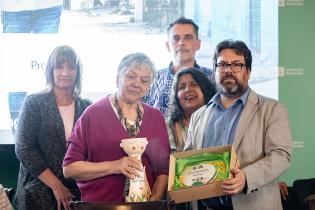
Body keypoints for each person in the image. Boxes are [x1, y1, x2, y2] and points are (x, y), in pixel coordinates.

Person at [184, 39, 292, 210]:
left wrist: (246, 177)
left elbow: (281, 156)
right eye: (222, 65)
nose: (228, 70)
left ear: (248, 72)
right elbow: (188, 161)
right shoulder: (198, 116)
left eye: (236, 65)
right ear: (215, 70)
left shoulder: (272, 109)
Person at [63, 52, 171, 203]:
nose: (137, 84)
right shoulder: (93, 115)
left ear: (149, 86)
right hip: (101, 206)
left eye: (144, 80)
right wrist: (114, 166)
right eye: (131, 76)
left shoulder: (155, 118)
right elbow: (69, 168)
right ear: (117, 78)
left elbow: (163, 169)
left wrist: (155, 200)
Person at [14, 45, 91, 210]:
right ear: (50, 70)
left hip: (76, 192)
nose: (65, 72)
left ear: (78, 72)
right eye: (59, 66)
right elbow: (24, 149)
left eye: (71, 67)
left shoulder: (87, 107)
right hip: (38, 188)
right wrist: (56, 186)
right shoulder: (34, 102)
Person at [143, 17, 215, 116]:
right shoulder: (152, 79)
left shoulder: (212, 78)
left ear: (198, 44)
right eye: (176, 38)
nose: (181, 43)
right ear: (168, 45)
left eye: (188, 37)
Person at [167, 67, 216, 153]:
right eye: (182, 87)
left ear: (205, 90)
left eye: (194, 84)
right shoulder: (168, 125)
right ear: (176, 96)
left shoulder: (217, 120)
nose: (187, 90)